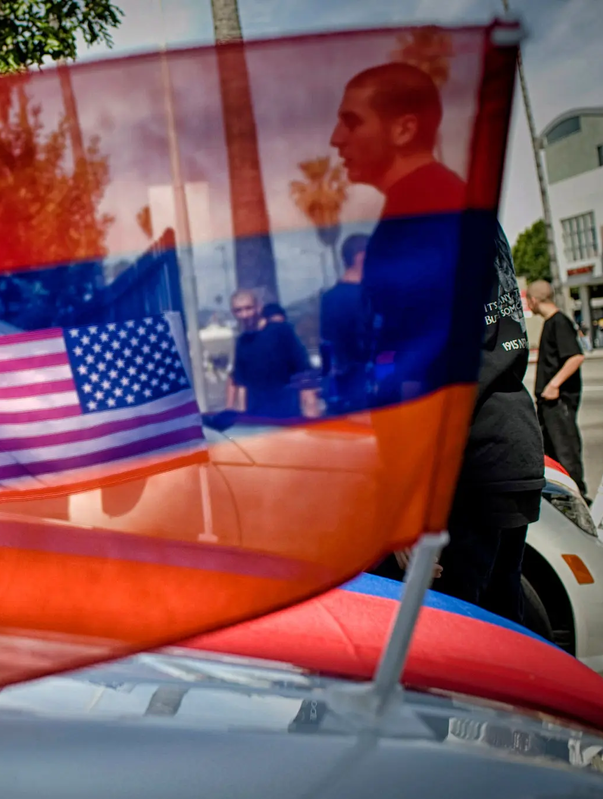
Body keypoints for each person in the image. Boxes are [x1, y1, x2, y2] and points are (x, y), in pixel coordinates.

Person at [331, 63, 544, 623]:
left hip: (459, 473)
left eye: (351, 122)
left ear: (403, 128)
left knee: (452, 648)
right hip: (502, 450)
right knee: (504, 642)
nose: (336, 139)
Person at [527, 280, 587, 497]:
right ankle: (560, 498)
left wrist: (554, 384)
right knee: (552, 454)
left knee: (566, 453)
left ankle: (578, 498)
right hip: (548, 403)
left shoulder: (559, 322)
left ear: (534, 300)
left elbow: (576, 357)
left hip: (559, 402)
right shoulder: (551, 322)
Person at [228, 291, 312, 419]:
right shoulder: (242, 342)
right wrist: (243, 416)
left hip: (287, 413)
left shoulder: (281, 331)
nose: (244, 315)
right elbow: (241, 383)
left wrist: (310, 407)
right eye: (238, 310)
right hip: (258, 417)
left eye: (248, 308)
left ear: (258, 307)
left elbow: (303, 370)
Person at [319, 234, 370, 414]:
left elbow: (326, 344)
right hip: (368, 387)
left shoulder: (328, 298)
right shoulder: (367, 296)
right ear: (362, 257)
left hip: (342, 389)